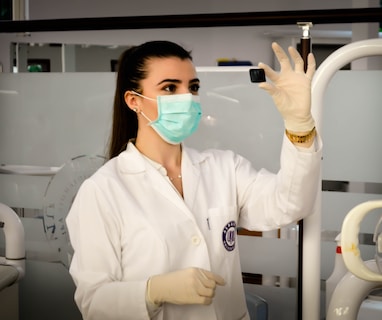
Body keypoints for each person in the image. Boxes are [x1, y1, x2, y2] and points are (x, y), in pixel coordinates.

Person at [66, 40, 322, 320]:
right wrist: (152, 291)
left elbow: (290, 204)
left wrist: (299, 125)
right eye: (169, 88)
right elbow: (94, 303)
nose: (186, 97)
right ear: (133, 100)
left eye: (194, 87)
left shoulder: (224, 167)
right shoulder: (103, 191)